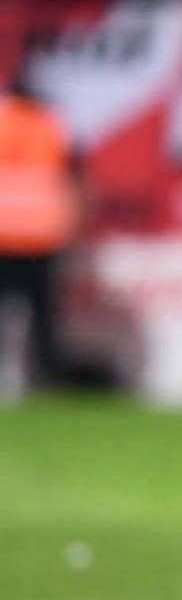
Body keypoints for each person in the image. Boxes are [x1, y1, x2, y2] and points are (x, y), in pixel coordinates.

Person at [0, 66, 79, 395]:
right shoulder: (51, 124)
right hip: (42, 234)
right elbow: (74, 172)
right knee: (42, 313)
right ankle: (44, 376)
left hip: (4, 233)